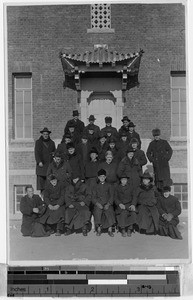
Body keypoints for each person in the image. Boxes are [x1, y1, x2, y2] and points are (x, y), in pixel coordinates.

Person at [92, 169, 115, 237]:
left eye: (103, 176)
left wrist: (108, 204)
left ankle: (110, 229)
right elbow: (93, 197)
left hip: (107, 203)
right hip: (99, 204)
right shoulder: (95, 186)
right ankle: (99, 229)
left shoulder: (109, 185)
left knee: (109, 210)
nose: (102, 178)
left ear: (105, 177)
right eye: (100, 176)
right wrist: (97, 204)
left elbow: (112, 196)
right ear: (98, 177)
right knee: (97, 211)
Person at [34, 127, 56, 196]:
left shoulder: (52, 143)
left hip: (49, 166)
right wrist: (39, 161)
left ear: (48, 134)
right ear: (42, 134)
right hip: (41, 166)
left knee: (49, 184)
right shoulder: (38, 142)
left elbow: (54, 152)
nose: (45, 135)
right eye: (44, 134)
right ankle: (43, 197)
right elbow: (36, 153)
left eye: (47, 134)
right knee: (42, 186)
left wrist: (53, 154)